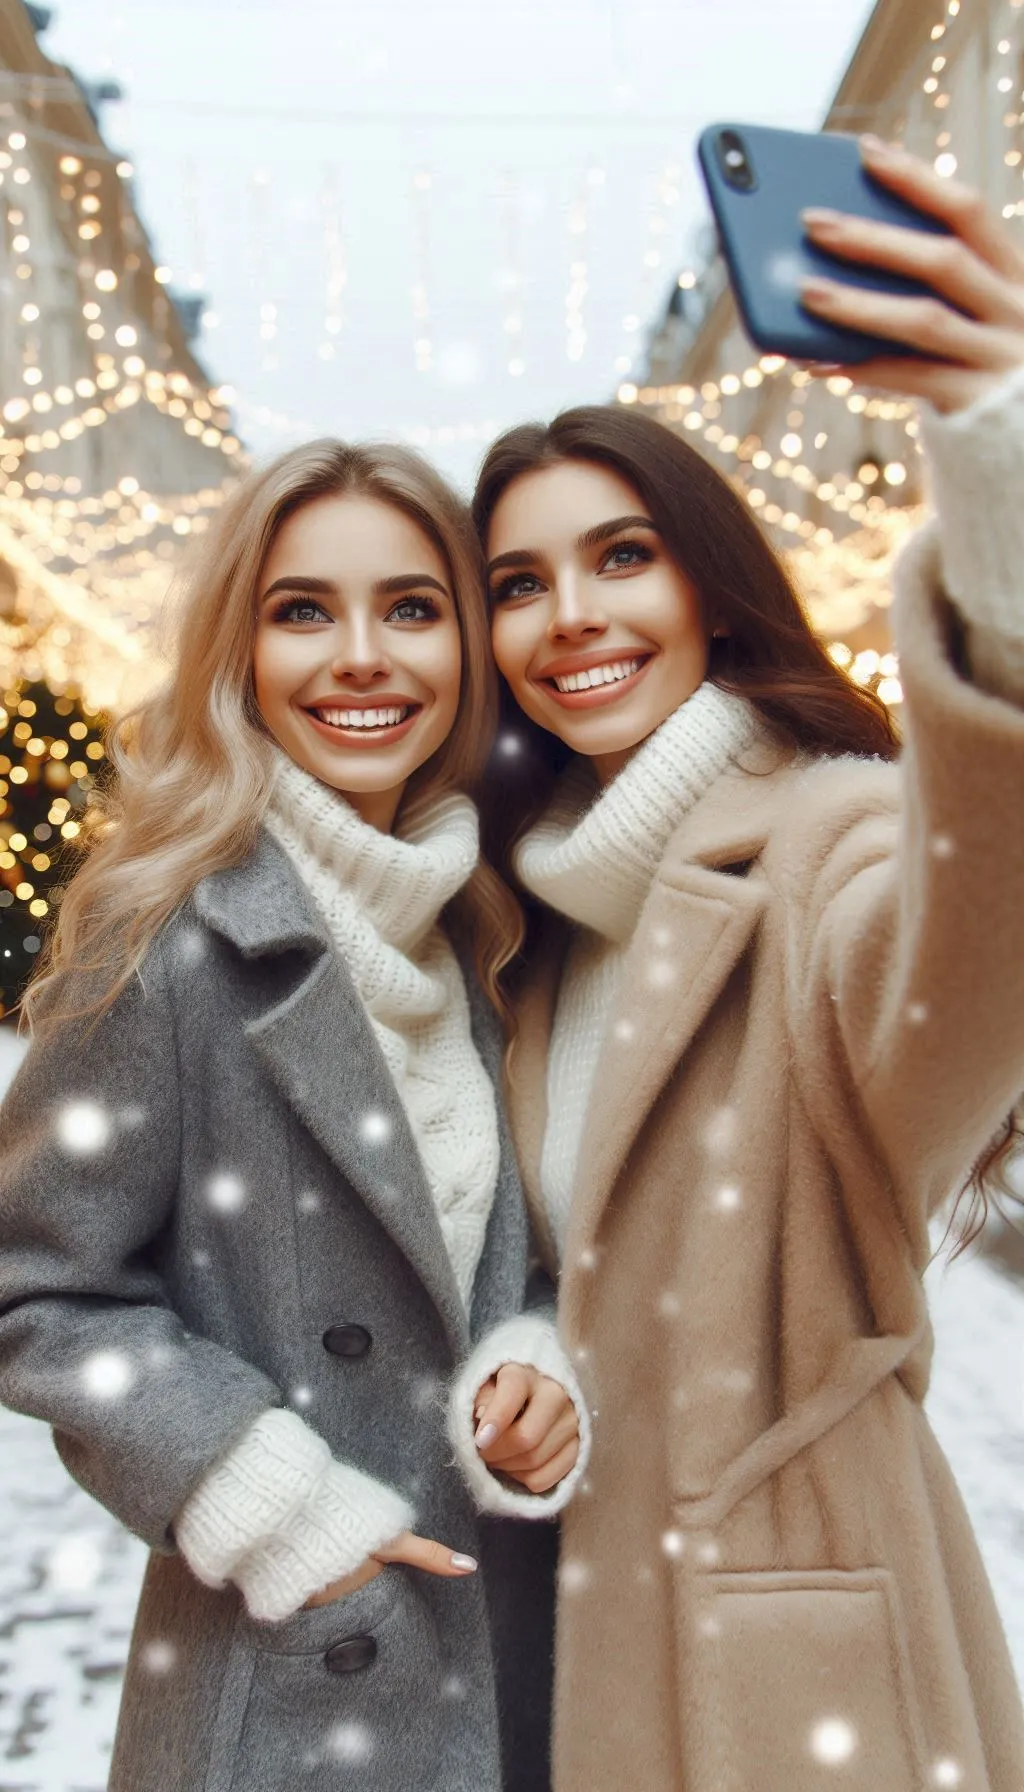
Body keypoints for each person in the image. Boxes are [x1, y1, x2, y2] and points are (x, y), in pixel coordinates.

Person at [465, 140, 1024, 1791]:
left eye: (622, 556)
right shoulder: (532, 916)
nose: (570, 613)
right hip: (572, 1640)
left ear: (713, 587)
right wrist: (532, 1366)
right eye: (517, 581)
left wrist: (991, 469)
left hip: (795, 1670)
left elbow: (962, 959)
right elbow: (568, 1268)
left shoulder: (834, 842)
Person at [0, 440, 589, 1792]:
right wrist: (268, 1497)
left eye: (413, 607)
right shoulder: (169, 935)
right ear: (242, 650)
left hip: (510, 1669)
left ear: (468, 650)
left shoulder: (495, 933)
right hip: (288, 1683)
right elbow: (31, 1282)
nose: (363, 655)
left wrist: (543, 1360)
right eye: (303, 609)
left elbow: (535, 1250)